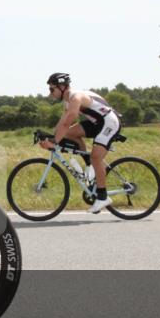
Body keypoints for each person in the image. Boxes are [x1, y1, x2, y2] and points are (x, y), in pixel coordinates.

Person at [40, 73, 122, 213]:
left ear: (62, 86)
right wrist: (50, 137)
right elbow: (61, 124)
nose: (51, 93)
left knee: (96, 157)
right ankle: (89, 166)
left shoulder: (76, 97)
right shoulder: (67, 101)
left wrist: (55, 142)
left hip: (109, 122)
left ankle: (102, 197)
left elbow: (69, 120)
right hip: (96, 122)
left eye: (52, 89)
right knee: (68, 134)